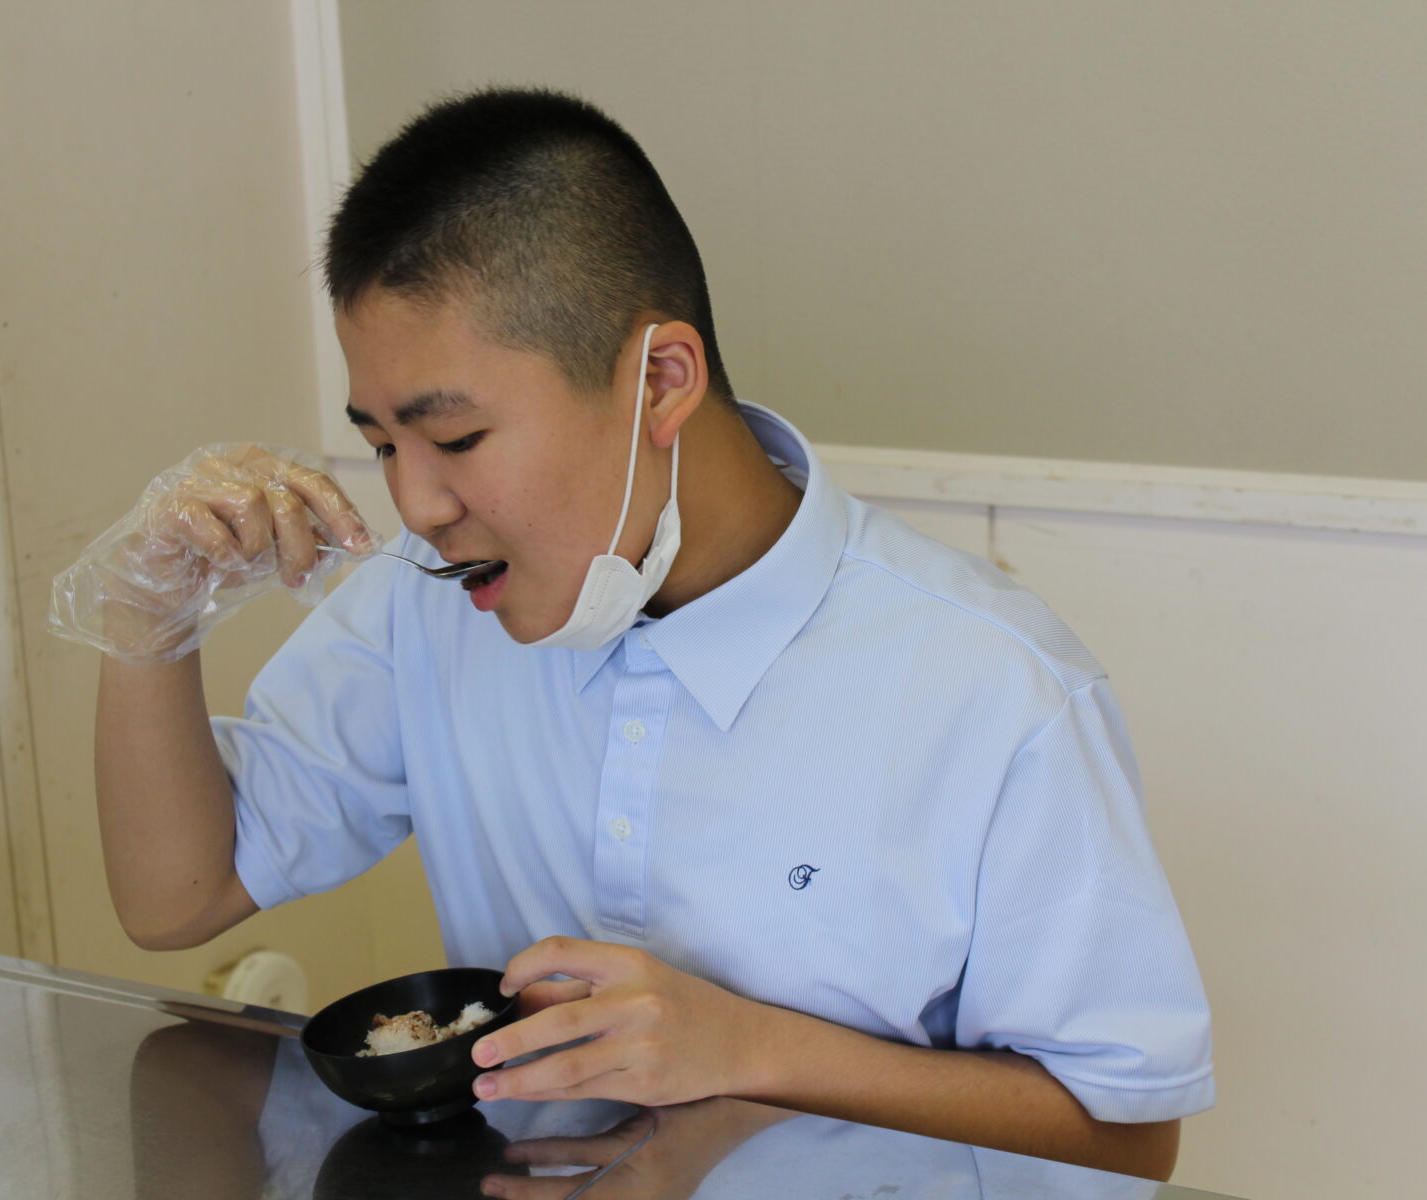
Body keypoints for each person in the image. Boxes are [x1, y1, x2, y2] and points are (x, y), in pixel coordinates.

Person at [63, 86, 1212, 1181]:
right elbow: (178, 899)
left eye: (455, 439)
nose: (416, 503)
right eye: (380, 445)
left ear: (662, 379)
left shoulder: (989, 684)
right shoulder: (435, 606)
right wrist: (149, 612)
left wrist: (750, 1049)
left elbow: (1127, 1135)